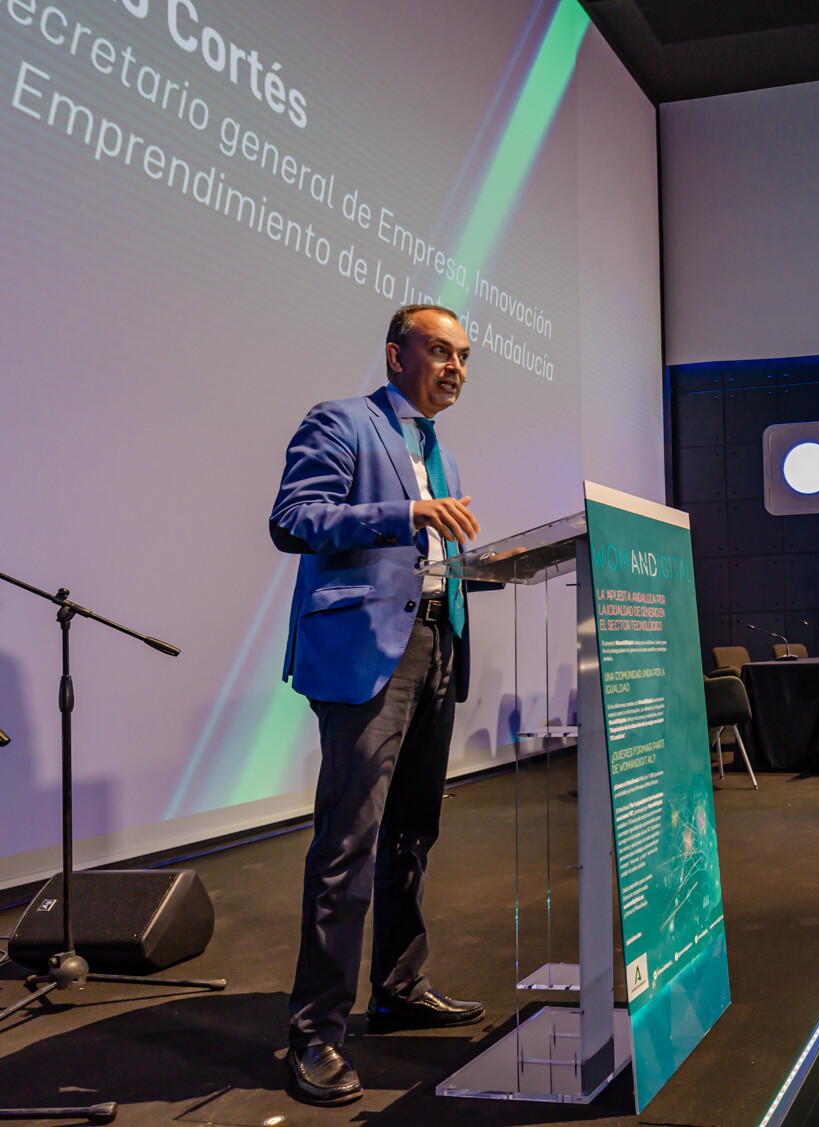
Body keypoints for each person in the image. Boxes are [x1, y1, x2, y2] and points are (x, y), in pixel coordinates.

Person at [270, 305, 488, 1106]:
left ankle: (398, 986)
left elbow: (440, 549)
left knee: (411, 834)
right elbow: (294, 520)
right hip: (368, 655)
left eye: (464, 355)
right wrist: (405, 512)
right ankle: (316, 1030)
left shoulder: (446, 456)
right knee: (348, 842)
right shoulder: (343, 423)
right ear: (397, 354)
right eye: (440, 351)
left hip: (436, 646)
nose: (455, 366)